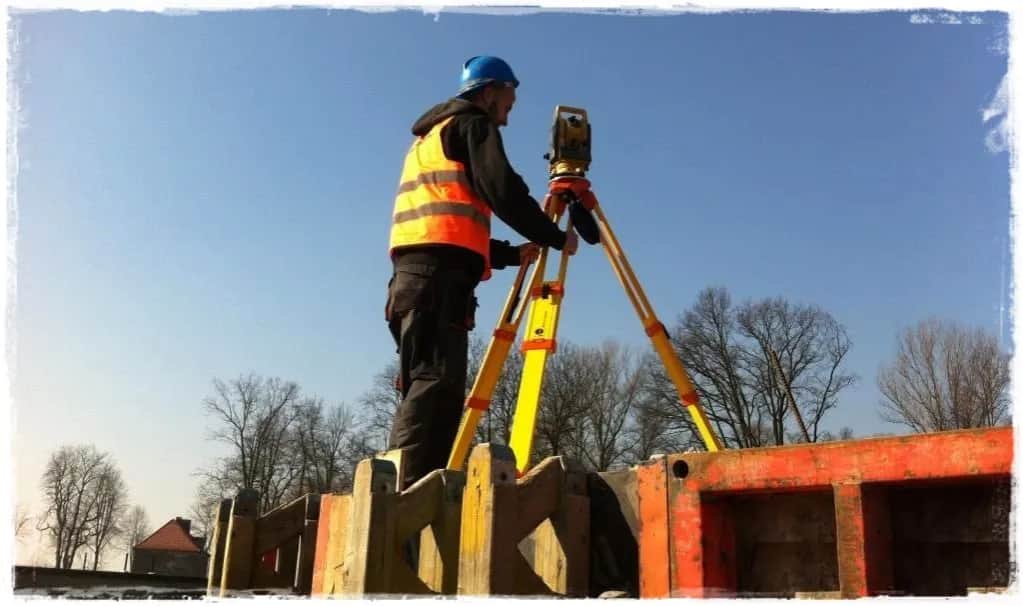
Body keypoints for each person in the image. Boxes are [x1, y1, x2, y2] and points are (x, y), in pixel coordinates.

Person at [385, 55, 579, 489]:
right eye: (508, 102)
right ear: (489, 92)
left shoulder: (430, 138)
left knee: (424, 390)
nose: (508, 115)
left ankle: (401, 491)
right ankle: (407, 501)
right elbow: (502, 189)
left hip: (412, 282)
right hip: (438, 285)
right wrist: (553, 235)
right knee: (435, 390)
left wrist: (510, 254)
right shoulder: (472, 125)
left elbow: (443, 229)